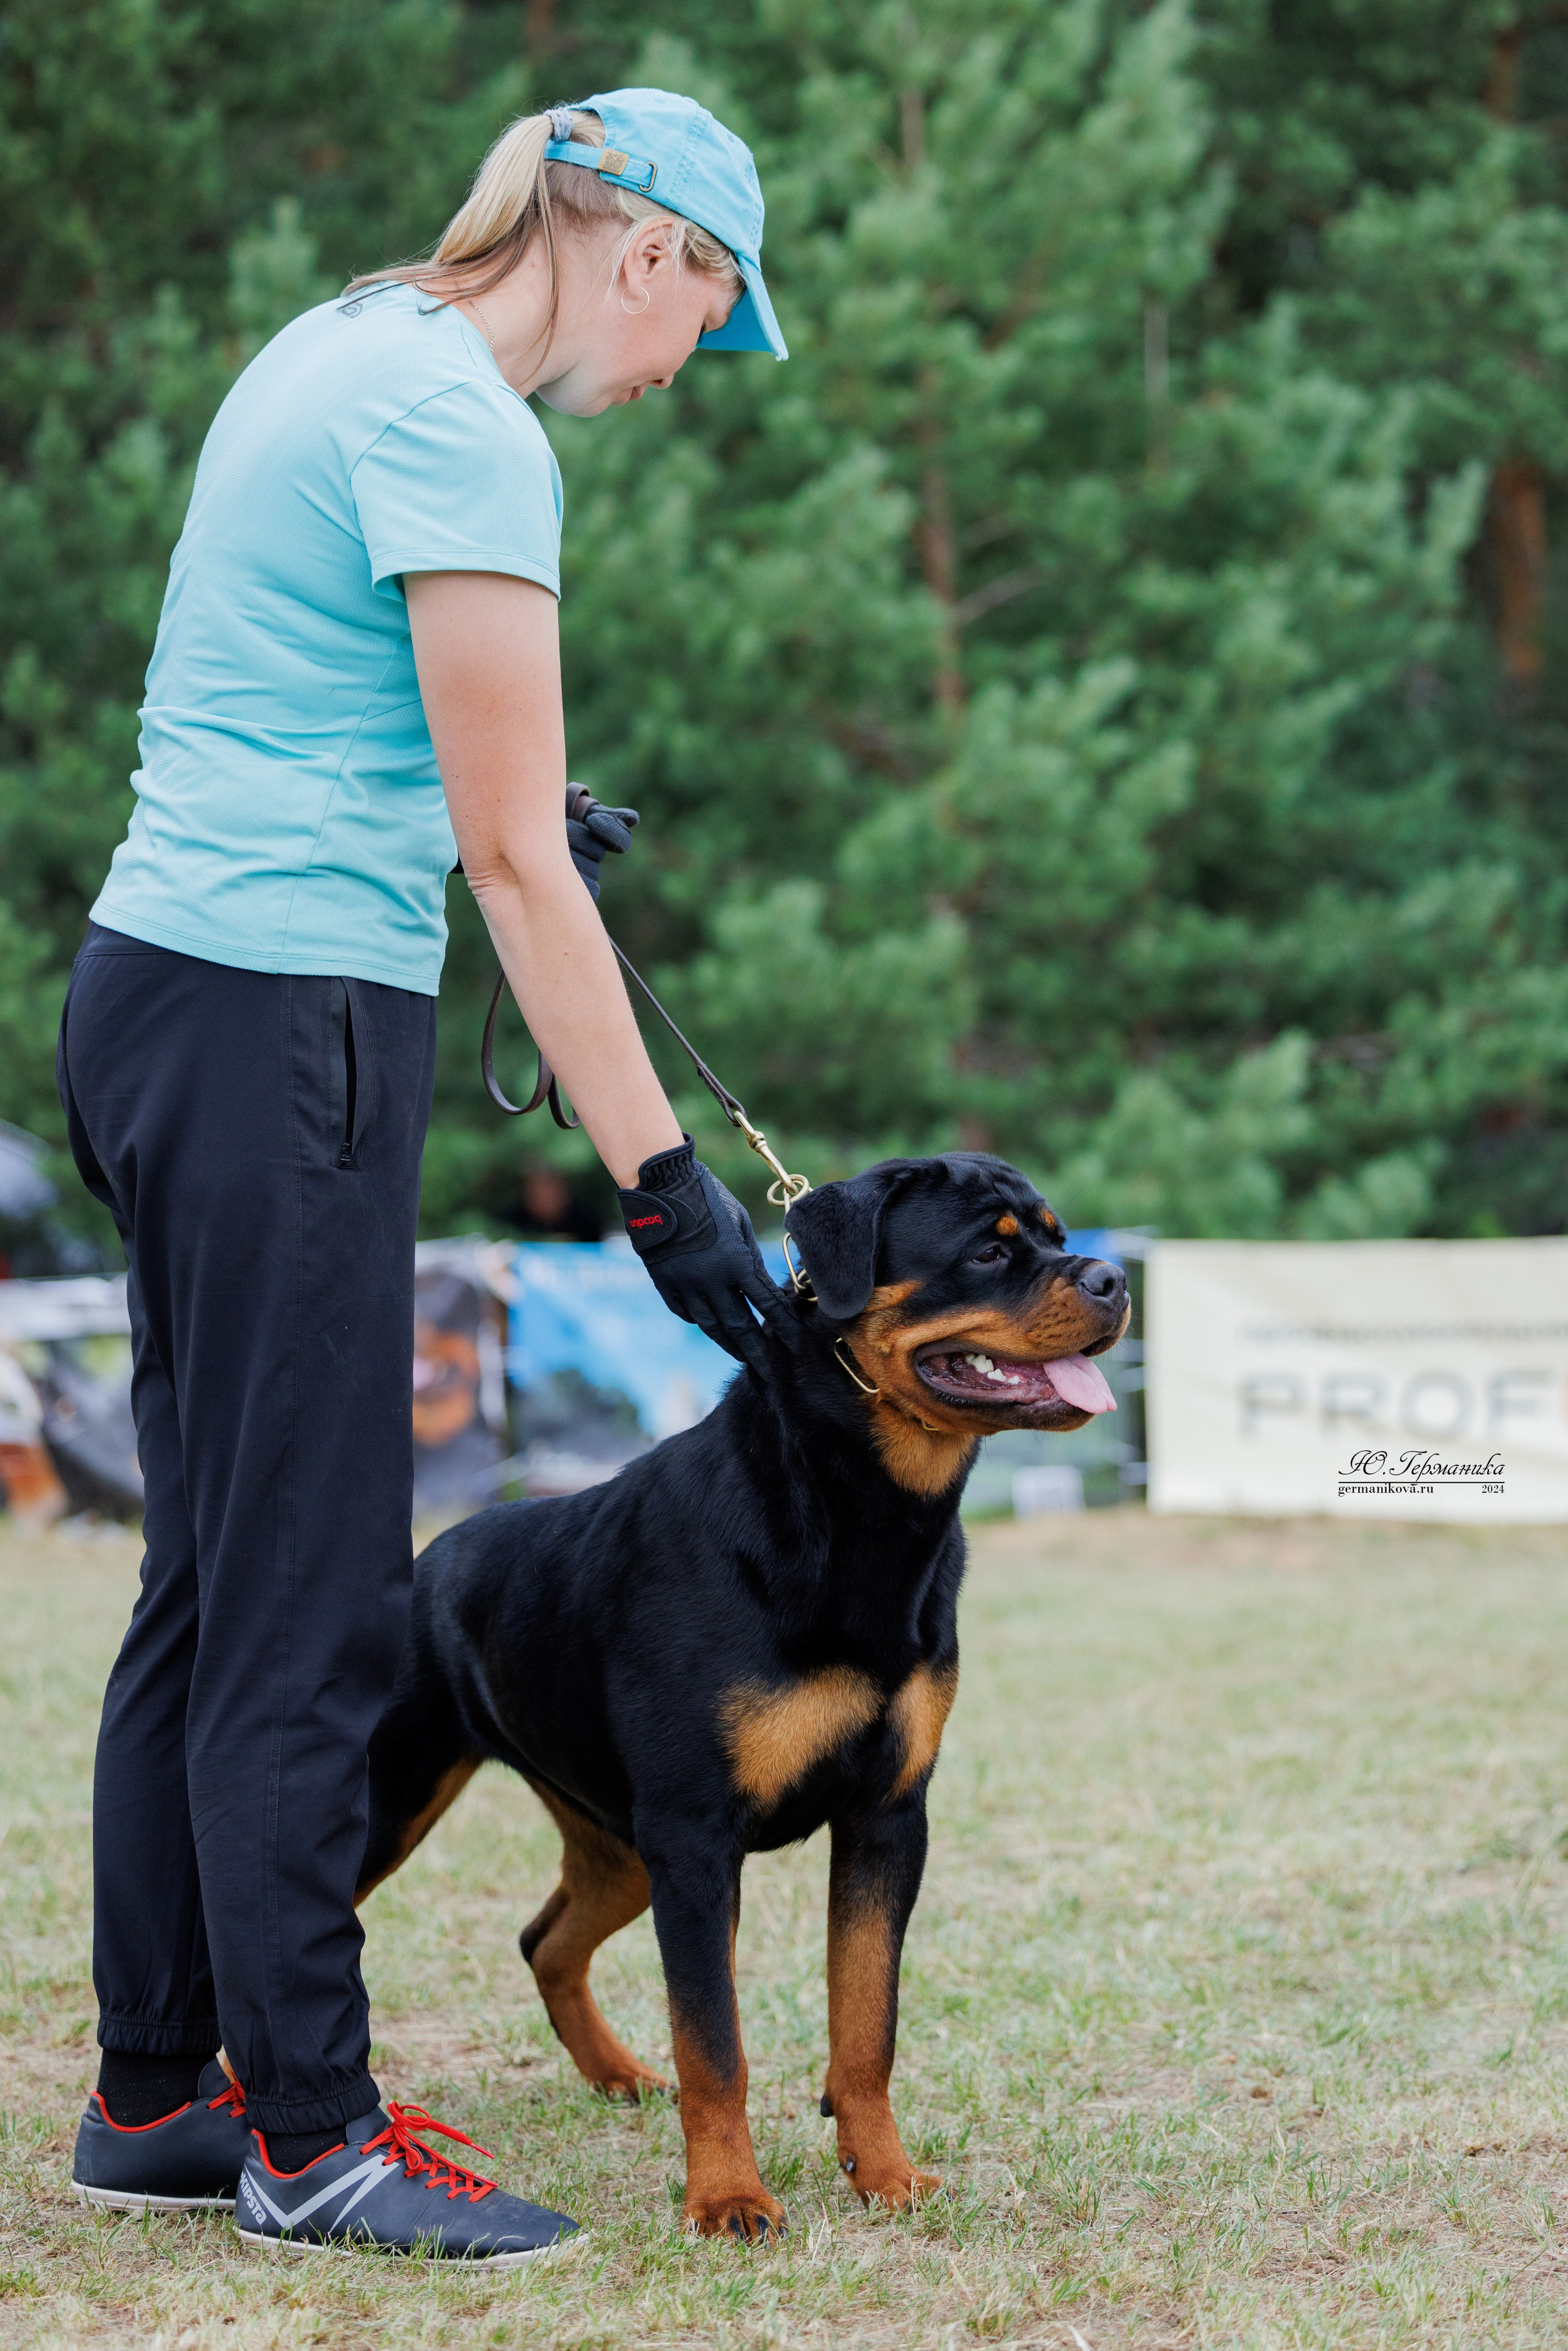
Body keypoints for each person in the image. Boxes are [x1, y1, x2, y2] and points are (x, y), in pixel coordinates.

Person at [59, 89, 786, 2262]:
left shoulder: (339, 341)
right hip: (283, 1025)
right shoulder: (477, 429)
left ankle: (156, 2095)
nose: (676, 378)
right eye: (709, 323)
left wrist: (515, 826)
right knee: (300, 1599)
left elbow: (381, 746)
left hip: (168, 994)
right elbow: (503, 866)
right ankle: (309, 2137)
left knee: (210, 1575)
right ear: (644, 247)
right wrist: (670, 1191)